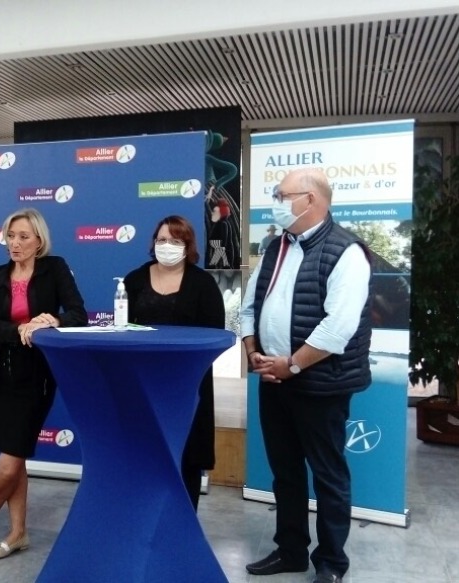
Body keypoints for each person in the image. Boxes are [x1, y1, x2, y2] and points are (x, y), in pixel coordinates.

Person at [240, 169, 372, 583]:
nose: (276, 202)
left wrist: (293, 364)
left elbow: (338, 327)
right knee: (286, 472)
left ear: (310, 199)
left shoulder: (346, 251)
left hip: (320, 384)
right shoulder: (275, 247)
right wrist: (254, 352)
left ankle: (331, 563)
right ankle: (291, 550)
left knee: (328, 475)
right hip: (273, 380)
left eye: (282, 195)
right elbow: (248, 308)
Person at [0, 208, 87, 560]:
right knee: (16, 457)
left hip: (36, 376)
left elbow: (78, 314)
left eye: (23, 236)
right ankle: (18, 532)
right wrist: (21, 329)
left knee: (8, 463)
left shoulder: (55, 268)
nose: (15, 243)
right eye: (11, 236)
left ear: (39, 241)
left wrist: (53, 321)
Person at [123, 215, 225, 511]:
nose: (167, 245)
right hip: (143, 383)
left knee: (186, 456)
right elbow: (122, 330)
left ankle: (184, 519)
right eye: (162, 240)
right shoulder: (134, 280)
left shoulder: (203, 284)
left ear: (187, 245)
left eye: (175, 240)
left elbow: (215, 336)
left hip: (188, 385)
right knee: (145, 454)